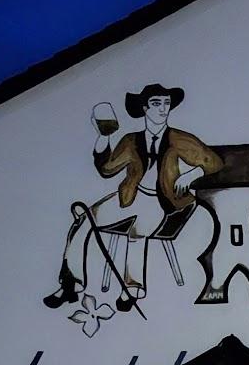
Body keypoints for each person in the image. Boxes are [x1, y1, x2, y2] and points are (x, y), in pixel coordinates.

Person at [43, 84, 223, 312]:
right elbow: (107, 170)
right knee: (83, 220)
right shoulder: (131, 140)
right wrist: (102, 138)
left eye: (166, 103)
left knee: (137, 231)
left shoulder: (178, 138)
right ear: (145, 108)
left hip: (163, 200)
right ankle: (71, 283)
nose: (162, 109)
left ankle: (133, 288)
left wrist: (192, 173)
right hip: (128, 196)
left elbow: (213, 161)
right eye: (157, 104)